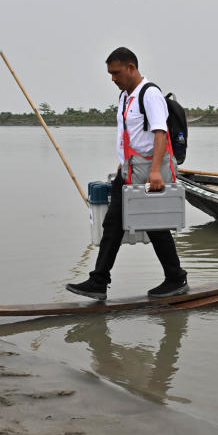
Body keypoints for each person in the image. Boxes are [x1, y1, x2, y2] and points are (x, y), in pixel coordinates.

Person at [66, 47, 188, 300]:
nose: (113, 78)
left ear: (131, 68)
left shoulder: (149, 94)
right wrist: (121, 166)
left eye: (116, 72)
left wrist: (155, 171)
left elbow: (159, 133)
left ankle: (175, 278)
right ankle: (99, 281)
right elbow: (129, 135)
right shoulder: (125, 96)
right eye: (110, 74)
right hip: (129, 170)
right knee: (113, 224)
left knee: (154, 225)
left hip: (148, 171)